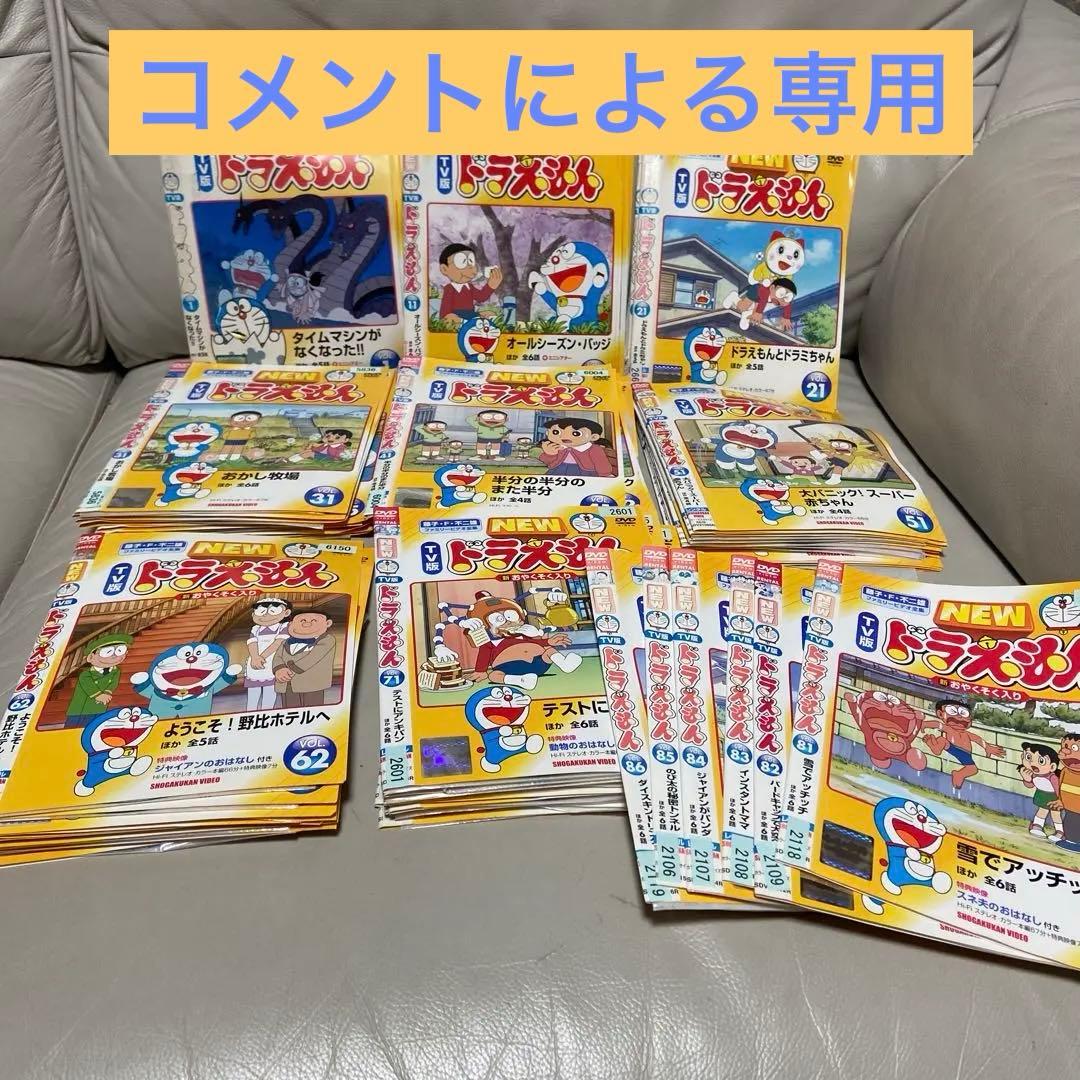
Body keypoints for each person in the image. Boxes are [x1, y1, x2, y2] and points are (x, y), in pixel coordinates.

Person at [921, 699, 1004, 791]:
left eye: (963, 713)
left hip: (966, 754)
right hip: (951, 747)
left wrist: (988, 747)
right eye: (952, 711)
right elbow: (937, 724)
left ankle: (959, 774)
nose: (959, 716)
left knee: (973, 769)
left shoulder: (967, 734)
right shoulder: (949, 728)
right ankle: (931, 743)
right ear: (940, 714)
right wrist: (924, 724)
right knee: (942, 741)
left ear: (969, 721)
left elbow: (978, 739)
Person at [65, 631, 133, 728]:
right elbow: (88, 685)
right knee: (74, 727)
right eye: (107, 652)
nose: (114, 656)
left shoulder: (116, 671)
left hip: (100, 707)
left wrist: (107, 692)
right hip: (81, 708)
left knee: (94, 726)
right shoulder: (86, 674)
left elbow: (113, 683)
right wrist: (98, 695)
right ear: (91, 657)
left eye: (120, 651)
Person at [273, 610, 337, 708]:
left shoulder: (327, 640)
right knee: (290, 710)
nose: (307, 623)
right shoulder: (285, 642)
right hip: (287, 684)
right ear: (291, 624)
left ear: (328, 623)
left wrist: (290, 671)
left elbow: (313, 658)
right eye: (302, 620)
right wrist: (279, 669)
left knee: (312, 710)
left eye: (314, 621)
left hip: (312, 684)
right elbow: (278, 657)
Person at [437, 243, 503, 327]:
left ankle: (474, 323)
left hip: (471, 314)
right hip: (456, 316)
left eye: (471, 262)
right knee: (451, 318)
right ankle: (469, 323)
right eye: (462, 262)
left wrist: (491, 286)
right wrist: (446, 318)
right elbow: (445, 310)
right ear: (444, 269)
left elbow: (481, 297)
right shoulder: (449, 288)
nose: (471, 267)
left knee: (490, 313)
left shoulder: (470, 287)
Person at [245, 597, 292, 710]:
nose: (266, 615)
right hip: (254, 663)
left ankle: (267, 712)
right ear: (253, 614)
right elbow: (252, 642)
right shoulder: (255, 628)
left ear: (286, 613)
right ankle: (250, 713)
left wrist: (261, 657)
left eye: (272, 611)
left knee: (270, 691)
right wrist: (255, 657)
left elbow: (278, 642)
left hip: (273, 661)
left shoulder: (283, 627)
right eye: (261, 612)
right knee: (253, 693)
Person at [537, 418, 615, 477]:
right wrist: (550, 454)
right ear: (548, 433)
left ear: (593, 437)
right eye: (556, 432)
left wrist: (604, 475)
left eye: (576, 433)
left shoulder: (594, 449)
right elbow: (547, 461)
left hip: (584, 473)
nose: (564, 437)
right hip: (558, 470)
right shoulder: (557, 446)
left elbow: (602, 465)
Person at [1018, 741, 1064, 841]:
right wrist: (1026, 779)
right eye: (1028, 758)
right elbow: (1030, 785)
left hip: (1054, 797)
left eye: (1041, 761)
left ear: (1052, 766)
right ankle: (1037, 826)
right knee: (1042, 811)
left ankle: (1060, 832)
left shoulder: (1052, 777)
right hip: (1041, 794)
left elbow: (1058, 789)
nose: (1033, 764)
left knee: (1055, 814)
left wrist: (1060, 800)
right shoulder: (1033, 774)